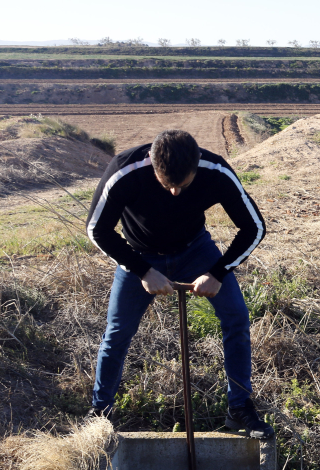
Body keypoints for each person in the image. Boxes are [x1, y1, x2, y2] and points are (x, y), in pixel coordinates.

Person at [85, 128, 274, 438]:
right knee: (117, 332)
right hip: (139, 256)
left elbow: (254, 226)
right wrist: (143, 271)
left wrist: (217, 272)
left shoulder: (215, 171)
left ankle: (239, 408)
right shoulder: (125, 171)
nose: (174, 193)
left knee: (236, 318)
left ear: (197, 164)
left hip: (195, 251)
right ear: (151, 164)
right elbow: (97, 230)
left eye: (183, 185)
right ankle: (100, 412)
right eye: (166, 185)